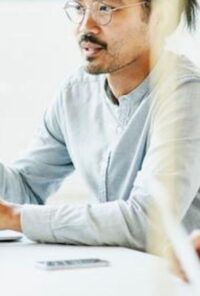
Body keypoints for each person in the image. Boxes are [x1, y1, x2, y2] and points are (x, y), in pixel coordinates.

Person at [0, 0, 200, 249]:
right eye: (80, 8)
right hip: (115, 275)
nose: (86, 27)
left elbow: (147, 223)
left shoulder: (186, 95)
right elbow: (24, 189)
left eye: (105, 8)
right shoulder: (76, 92)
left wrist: (15, 217)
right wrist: (10, 211)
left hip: (179, 282)